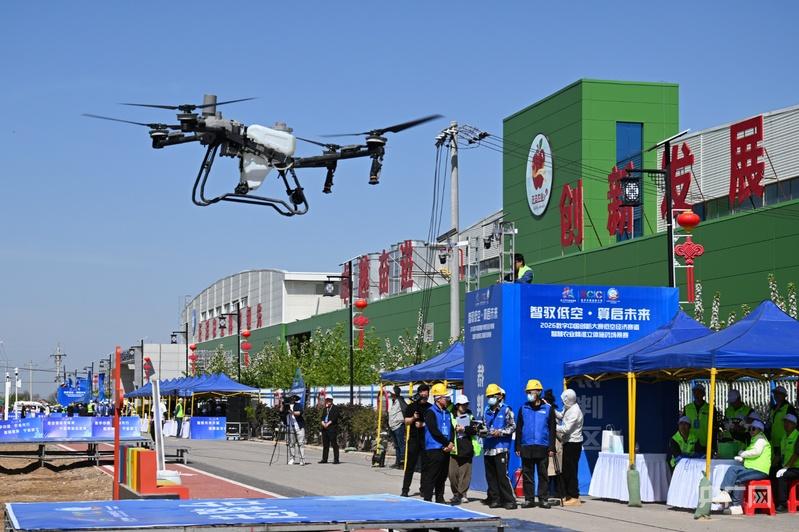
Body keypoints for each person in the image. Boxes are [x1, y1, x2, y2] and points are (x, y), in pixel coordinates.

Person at [712, 419, 772, 515]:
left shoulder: (760, 439)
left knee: (735, 473)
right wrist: (743, 459)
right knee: (735, 474)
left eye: (753, 429)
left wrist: (742, 454)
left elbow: (756, 452)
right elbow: (755, 457)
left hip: (759, 470)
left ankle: (727, 495)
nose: (751, 431)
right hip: (754, 468)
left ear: (760, 430)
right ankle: (735, 505)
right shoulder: (755, 440)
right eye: (750, 428)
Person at [515, 379, 555, 509]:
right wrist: (517, 446)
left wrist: (551, 447)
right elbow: (519, 428)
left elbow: (552, 429)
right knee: (527, 474)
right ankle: (529, 499)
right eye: (527, 392)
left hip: (542, 446)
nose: (528, 394)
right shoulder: (523, 408)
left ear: (538, 392)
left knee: (543, 474)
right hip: (526, 446)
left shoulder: (548, 409)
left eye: (530, 392)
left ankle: (543, 499)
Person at [482, 383, 517, 510]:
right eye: (488, 396)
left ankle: (509, 500)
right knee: (491, 476)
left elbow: (512, 426)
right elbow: (484, 426)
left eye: (492, 396)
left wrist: (500, 432)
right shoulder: (486, 410)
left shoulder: (506, 410)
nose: (490, 399)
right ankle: (495, 499)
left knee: (502, 475)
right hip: (488, 447)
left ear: (499, 397)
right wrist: (481, 431)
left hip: (501, 447)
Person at [421, 383, 454, 503]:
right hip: (434, 447)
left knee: (442, 475)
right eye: (445, 397)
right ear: (438, 398)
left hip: (445, 447)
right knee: (432, 475)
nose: (447, 399)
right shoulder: (430, 412)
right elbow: (434, 430)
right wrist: (446, 443)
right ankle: (427, 499)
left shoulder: (447, 412)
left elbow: (451, 429)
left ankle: (440, 498)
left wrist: (450, 442)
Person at [449, 395, 481, 505]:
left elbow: (475, 430)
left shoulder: (470, 416)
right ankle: (456, 493)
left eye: (466, 404)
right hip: (454, 448)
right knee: (452, 474)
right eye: (463, 405)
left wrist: (464, 429)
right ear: (457, 405)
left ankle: (462, 494)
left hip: (467, 447)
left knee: (465, 474)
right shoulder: (451, 415)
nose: (465, 406)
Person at [401, 384, 431, 497]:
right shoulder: (412, 406)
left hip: (426, 440)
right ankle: (405, 490)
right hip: (414, 439)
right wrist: (413, 418)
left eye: (426, 392)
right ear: (418, 393)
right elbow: (406, 421)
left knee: (425, 466)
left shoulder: (430, 408)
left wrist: (423, 424)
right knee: (410, 465)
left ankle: (423, 489)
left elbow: (433, 423)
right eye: (422, 392)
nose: (424, 394)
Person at [557, 388, 584, 506]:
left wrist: (553, 427)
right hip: (567, 442)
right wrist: (550, 408)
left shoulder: (575, 411)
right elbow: (560, 415)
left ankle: (574, 496)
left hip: (574, 443)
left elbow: (566, 429)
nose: (562, 402)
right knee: (566, 470)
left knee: (571, 470)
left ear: (568, 400)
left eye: (564, 400)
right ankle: (568, 494)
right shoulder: (568, 407)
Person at [774, 413, 799, 512]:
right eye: (785, 422)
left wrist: (786, 468)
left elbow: (796, 454)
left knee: (782, 476)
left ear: (794, 425)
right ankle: (774, 500)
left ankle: (783, 504)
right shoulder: (784, 437)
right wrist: (772, 465)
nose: (786, 424)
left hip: (796, 467)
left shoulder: (797, 436)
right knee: (772, 473)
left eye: (789, 422)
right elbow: (779, 455)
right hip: (787, 467)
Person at [768, 386, 797, 461]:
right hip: (773, 441)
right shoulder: (773, 408)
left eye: (779, 394)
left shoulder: (789, 408)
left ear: (784, 396)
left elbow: (794, 425)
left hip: (784, 441)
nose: (776, 395)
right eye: (775, 393)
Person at [683, 383, 715, 451]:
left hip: (706, 443)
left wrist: (713, 444)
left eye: (699, 392)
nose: (697, 394)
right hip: (690, 443)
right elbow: (683, 426)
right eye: (695, 392)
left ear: (703, 394)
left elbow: (714, 426)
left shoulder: (710, 408)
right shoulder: (687, 408)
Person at [388, 386, 408, 469]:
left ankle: (402, 463)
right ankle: (397, 462)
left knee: (401, 445)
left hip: (398, 426)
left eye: (391, 393)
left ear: (395, 393)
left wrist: (402, 420)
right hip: (393, 426)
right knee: (396, 446)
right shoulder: (394, 401)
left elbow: (406, 409)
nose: (390, 395)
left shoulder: (400, 401)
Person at [285, 395, 306, 466]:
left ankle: (302, 459)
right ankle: (292, 458)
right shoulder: (286, 406)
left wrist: (292, 412)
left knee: (301, 443)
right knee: (291, 443)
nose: (292, 399)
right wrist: (282, 404)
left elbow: (300, 412)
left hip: (299, 427)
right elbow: (281, 412)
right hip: (290, 427)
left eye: (294, 398)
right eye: (291, 398)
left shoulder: (298, 405)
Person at [319, 396, 340, 464]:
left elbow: (335, 418)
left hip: (332, 428)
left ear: (331, 401)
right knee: (325, 444)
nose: (327, 401)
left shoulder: (335, 408)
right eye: (326, 400)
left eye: (329, 400)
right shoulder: (325, 409)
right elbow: (322, 417)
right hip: (324, 428)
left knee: (334, 444)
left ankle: (336, 459)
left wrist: (328, 423)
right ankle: (324, 459)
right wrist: (323, 423)